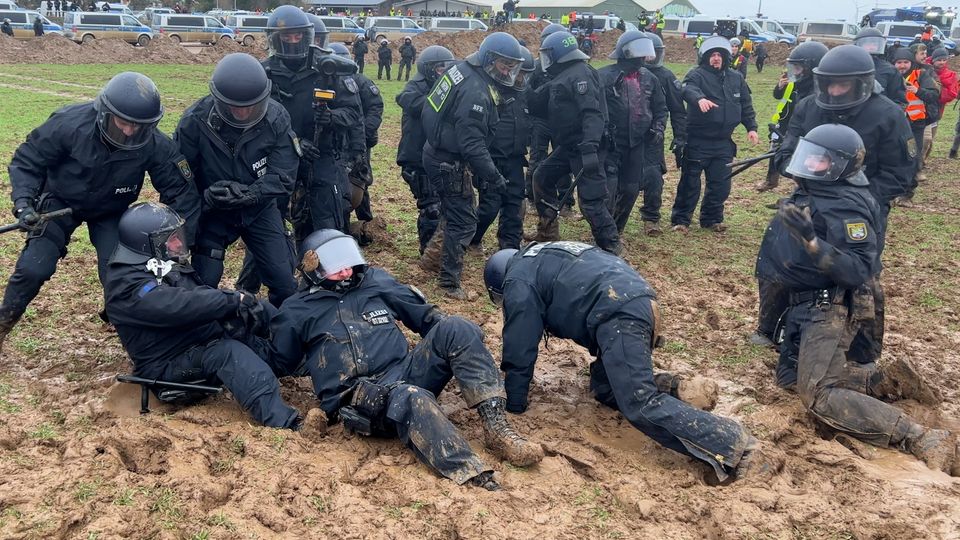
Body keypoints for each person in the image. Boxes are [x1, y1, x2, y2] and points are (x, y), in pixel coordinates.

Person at [270, 230, 544, 489]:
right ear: (312, 269)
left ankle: (498, 431)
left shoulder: (374, 281)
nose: (345, 271)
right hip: (360, 396)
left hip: (405, 371)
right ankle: (468, 470)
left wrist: (458, 341)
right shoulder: (296, 310)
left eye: (348, 262)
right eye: (335, 266)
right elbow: (282, 360)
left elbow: (424, 316)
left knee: (457, 327)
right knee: (411, 396)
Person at [483, 243, 777, 484]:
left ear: (500, 284)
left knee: (639, 402)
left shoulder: (518, 280)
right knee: (604, 387)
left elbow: (520, 346)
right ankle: (675, 388)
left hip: (618, 314)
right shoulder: (542, 253)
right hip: (637, 300)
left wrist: (515, 403)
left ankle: (737, 447)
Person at [756, 124, 956, 476]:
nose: (810, 165)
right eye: (810, 157)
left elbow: (858, 270)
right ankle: (880, 382)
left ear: (840, 165)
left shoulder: (848, 205)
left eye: (820, 161)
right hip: (802, 304)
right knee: (789, 380)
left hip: (827, 306)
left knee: (818, 396)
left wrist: (813, 242)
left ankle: (918, 436)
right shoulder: (816, 190)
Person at [1, 72, 200, 349]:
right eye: (123, 123)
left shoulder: (156, 145)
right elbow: (27, 160)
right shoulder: (69, 124)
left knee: (118, 274)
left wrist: (174, 240)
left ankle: (125, 324)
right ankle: (3, 323)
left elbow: (181, 192)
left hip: (111, 209)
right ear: (105, 113)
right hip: (59, 204)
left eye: (139, 126)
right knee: (34, 267)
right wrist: (24, 203)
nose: (130, 131)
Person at [773, 45, 915, 367]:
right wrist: (807, 177)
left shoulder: (888, 114)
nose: (835, 91)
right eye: (830, 84)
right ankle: (776, 329)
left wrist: (858, 197)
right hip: (810, 200)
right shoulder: (809, 106)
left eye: (844, 84)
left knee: (863, 271)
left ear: (861, 82)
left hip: (863, 206)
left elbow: (901, 172)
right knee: (791, 260)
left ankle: (864, 345)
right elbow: (787, 152)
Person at [105, 202, 302, 429]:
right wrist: (230, 301)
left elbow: (198, 294)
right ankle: (281, 420)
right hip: (167, 364)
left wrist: (238, 307)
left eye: (176, 235)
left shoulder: (161, 264)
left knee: (259, 311)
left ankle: (294, 359)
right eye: (170, 239)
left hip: (195, 340)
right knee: (228, 353)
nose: (179, 242)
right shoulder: (126, 286)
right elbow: (177, 304)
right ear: (147, 244)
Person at [174, 53, 298, 308]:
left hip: (259, 209)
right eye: (235, 107)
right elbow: (180, 180)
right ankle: (205, 336)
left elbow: (284, 174)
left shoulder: (276, 118)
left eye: (250, 106)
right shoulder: (194, 122)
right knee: (203, 280)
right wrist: (206, 198)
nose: (242, 113)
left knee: (284, 280)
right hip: (214, 213)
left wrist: (252, 193)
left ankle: (285, 332)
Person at [419, 32, 522, 298]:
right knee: (464, 221)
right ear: (488, 60)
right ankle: (448, 283)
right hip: (447, 161)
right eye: (503, 65)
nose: (508, 71)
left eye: (512, 66)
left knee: (452, 212)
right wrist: (494, 176)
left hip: (435, 151)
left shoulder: (460, 70)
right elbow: (472, 144)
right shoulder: (475, 92)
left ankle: (431, 260)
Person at [261, 7, 364, 234]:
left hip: (322, 154)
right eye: (286, 36)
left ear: (306, 35)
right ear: (274, 38)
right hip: (279, 156)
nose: (292, 40)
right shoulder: (263, 72)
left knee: (328, 221)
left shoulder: (328, 67)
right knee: (269, 222)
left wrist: (331, 117)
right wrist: (294, 142)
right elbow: (256, 121)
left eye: (298, 35)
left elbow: (354, 113)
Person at [529, 31, 619, 253]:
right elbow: (542, 101)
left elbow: (592, 113)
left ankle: (612, 248)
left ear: (558, 55)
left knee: (591, 201)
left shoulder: (580, 75)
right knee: (542, 177)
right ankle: (547, 233)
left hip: (587, 148)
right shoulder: (563, 75)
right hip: (569, 147)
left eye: (547, 55)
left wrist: (589, 148)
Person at [672, 36, 759, 233]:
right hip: (698, 141)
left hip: (723, 143)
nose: (716, 58)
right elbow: (687, 89)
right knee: (690, 183)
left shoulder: (736, 78)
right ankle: (681, 220)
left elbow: (746, 105)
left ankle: (712, 219)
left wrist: (751, 128)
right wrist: (699, 98)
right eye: (712, 55)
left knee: (721, 184)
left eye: (720, 55)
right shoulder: (697, 75)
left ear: (726, 57)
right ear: (705, 57)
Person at [599, 31, 667, 234]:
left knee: (630, 189)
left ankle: (616, 230)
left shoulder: (650, 78)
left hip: (637, 143)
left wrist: (658, 127)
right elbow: (592, 109)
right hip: (610, 145)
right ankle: (605, 232)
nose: (642, 59)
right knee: (608, 191)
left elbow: (661, 109)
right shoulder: (604, 76)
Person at [469, 46, 534, 252]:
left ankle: (510, 246)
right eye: (519, 74)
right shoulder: (491, 90)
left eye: (525, 75)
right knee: (490, 205)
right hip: (492, 158)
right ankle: (473, 238)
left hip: (515, 158)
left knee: (514, 203)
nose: (521, 79)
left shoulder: (525, 95)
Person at [395, 45, 456, 254]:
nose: (445, 74)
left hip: (440, 158)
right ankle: (428, 254)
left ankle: (442, 248)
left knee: (447, 206)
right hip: (416, 161)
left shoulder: (451, 88)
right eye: (440, 69)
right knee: (431, 207)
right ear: (429, 70)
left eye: (448, 69)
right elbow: (407, 100)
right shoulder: (415, 87)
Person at [329, 41, 384, 245]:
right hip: (335, 143)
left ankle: (366, 223)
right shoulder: (325, 82)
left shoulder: (361, 82)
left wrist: (364, 133)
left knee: (361, 179)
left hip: (359, 141)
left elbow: (375, 108)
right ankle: (340, 226)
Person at [756, 40, 828, 194]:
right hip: (784, 123)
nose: (794, 71)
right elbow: (777, 95)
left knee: (803, 161)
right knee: (775, 152)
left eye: (798, 67)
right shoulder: (793, 81)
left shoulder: (818, 96)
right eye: (793, 67)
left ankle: (798, 192)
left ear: (811, 69)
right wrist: (780, 86)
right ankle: (771, 180)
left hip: (801, 129)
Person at [525, 23, 573, 223]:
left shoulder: (571, 68)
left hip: (560, 121)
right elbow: (528, 94)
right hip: (541, 120)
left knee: (562, 160)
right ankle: (532, 198)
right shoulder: (537, 67)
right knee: (537, 158)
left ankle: (566, 201)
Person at [891, 46, 939, 205]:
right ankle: (891, 191)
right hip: (893, 125)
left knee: (912, 157)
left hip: (915, 125)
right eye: (899, 62)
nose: (902, 65)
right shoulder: (889, 76)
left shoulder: (921, 75)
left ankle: (907, 195)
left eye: (905, 62)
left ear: (911, 63)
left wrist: (917, 90)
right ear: (894, 63)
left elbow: (933, 95)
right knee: (891, 157)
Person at [853, 27, 907, 106]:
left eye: (874, 44)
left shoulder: (890, 70)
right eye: (868, 44)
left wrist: (889, 116)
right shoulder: (850, 66)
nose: (871, 47)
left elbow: (898, 99)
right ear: (859, 44)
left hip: (880, 113)